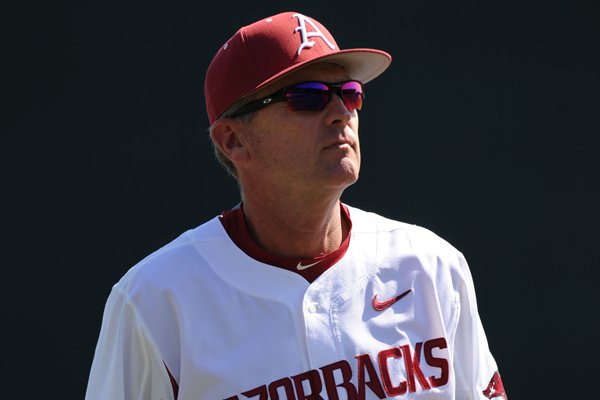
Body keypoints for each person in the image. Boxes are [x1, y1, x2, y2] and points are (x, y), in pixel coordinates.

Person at [85, 11, 507, 400]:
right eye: (307, 96)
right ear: (233, 140)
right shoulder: (156, 300)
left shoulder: (430, 267)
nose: (340, 112)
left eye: (350, 93)